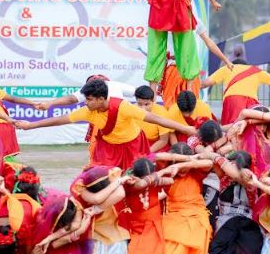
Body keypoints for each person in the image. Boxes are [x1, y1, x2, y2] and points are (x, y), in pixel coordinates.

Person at [16, 79, 195, 169]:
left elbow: (155, 119)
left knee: (134, 179)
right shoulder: (88, 111)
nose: (85, 102)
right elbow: (59, 120)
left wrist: (184, 128)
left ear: (102, 98)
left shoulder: (123, 106)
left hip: (132, 145)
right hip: (108, 148)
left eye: (89, 99)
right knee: (99, 179)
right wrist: (30, 125)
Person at [159, 143, 214, 254]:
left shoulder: (196, 171)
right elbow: (153, 157)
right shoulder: (167, 174)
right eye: (179, 165)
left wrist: (183, 164)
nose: (183, 169)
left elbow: (210, 163)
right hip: (173, 218)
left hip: (196, 217)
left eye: (185, 166)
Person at [123, 158, 174, 254]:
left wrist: (153, 181)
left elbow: (171, 181)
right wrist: (152, 179)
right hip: (136, 227)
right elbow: (141, 184)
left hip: (154, 225)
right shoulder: (129, 184)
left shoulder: (153, 182)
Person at [134, 85, 171, 152]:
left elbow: (163, 140)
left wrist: (147, 152)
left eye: (147, 104)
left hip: (156, 144)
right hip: (137, 143)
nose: (143, 109)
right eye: (139, 104)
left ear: (153, 101)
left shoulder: (161, 112)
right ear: (136, 101)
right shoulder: (131, 110)